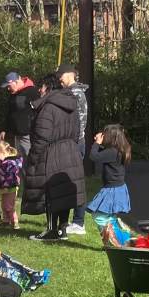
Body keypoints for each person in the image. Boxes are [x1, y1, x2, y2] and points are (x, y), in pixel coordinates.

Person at [22, 73, 87, 243]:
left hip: (52, 153)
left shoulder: (48, 107)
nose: (39, 90)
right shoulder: (72, 104)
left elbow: (42, 136)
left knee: (51, 193)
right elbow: (77, 130)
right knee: (63, 192)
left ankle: (52, 230)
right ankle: (62, 230)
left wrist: (34, 157)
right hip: (70, 150)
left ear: (48, 87)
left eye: (41, 87)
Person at [58, 66, 90, 235]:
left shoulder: (75, 94)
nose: (59, 79)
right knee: (70, 180)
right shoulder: (71, 92)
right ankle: (71, 220)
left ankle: (78, 222)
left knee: (75, 181)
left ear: (70, 75)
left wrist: (70, 141)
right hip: (74, 142)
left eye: (61, 75)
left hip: (75, 142)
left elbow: (78, 122)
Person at [85, 125, 132, 226]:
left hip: (112, 190)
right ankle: (115, 229)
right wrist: (97, 144)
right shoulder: (118, 150)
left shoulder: (112, 152)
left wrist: (97, 143)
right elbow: (102, 152)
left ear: (111, 137)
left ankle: (111, 232)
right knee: (109, 215)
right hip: (118, 188)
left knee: (99, 216)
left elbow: (94, 156)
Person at [0, 72, 36, 161]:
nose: (8, 88)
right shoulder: (13, 94)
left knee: (28, 160)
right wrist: (5, 129)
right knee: (19, 160)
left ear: (16, 81)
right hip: (16, 135)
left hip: (28, 135)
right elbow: (10, 112)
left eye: (9, 86)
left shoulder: (32, 92)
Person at [0, 140, 23, 227]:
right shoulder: (4, 161)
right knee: (3, 205)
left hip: (10, 187)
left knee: (9, 206)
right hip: (4, 187)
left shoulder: (10, 163)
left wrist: (5, 185)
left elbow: (10, 177)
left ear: (2, 152)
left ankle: (14, 222)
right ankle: (6, 221)